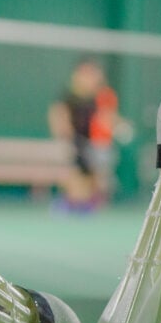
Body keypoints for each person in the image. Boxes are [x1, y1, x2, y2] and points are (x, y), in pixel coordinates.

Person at [48, 57, 118, 211]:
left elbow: (107, 117)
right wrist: (63, 135)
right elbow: (58, 115)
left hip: (94, 143)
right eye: (87, 73)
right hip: (75, 141)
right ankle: (71, 203)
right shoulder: (68, 96)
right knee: (76, 175)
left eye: (93, 74)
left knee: (96, 175)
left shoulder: (99, 96)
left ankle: (90, 203)